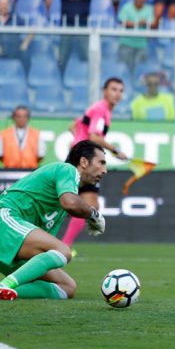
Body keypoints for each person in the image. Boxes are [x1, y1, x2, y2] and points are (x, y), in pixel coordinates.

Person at [0, 140, 107, 300]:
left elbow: (44, 246)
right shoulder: (67, 169)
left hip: (14, 239)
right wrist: (94, 215)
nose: (105, 170)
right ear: (84, 162)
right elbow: (71, 203)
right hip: (5, 219)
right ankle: (7, 284)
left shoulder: (65, 193)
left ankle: (6, 292)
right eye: (101, 163)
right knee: (63, 250)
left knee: (67, 287)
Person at [61, 78, 128, 252]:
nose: (117, 94)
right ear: (104, 91)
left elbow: (74, 126)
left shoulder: (100, 109)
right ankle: (64, 246)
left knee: (82, 204)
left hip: (81, 158)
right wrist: (115, 150)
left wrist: (77, 142)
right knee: (87, 205)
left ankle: (63, 245)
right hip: (85, 161)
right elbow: (93, 136)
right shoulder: (101, 109)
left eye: (120, 90)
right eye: (113, 89)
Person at [117, 0, 154, 76]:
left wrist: (134, 23)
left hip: (142, 45)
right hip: (126, 43)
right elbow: (123, 21)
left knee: (140, 72)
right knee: (124, 71)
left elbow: (152, 23)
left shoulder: (149, 9)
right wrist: (138, 23)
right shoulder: (127, 7)